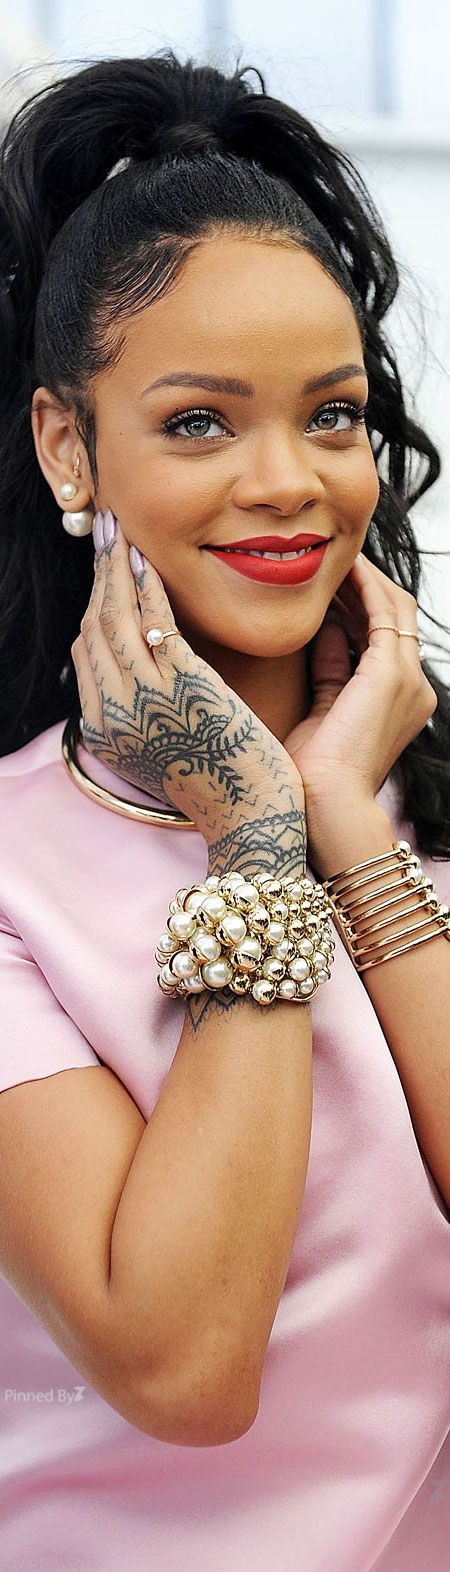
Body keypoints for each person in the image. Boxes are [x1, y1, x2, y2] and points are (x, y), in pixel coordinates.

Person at [0, 48, 449, 1572]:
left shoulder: (411, 795)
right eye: (199, 422)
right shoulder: (11, 870)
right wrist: (252, 832)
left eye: (331, 416)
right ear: (69, 446)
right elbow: (185, 1368)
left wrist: (345, 826)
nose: (288, 481)